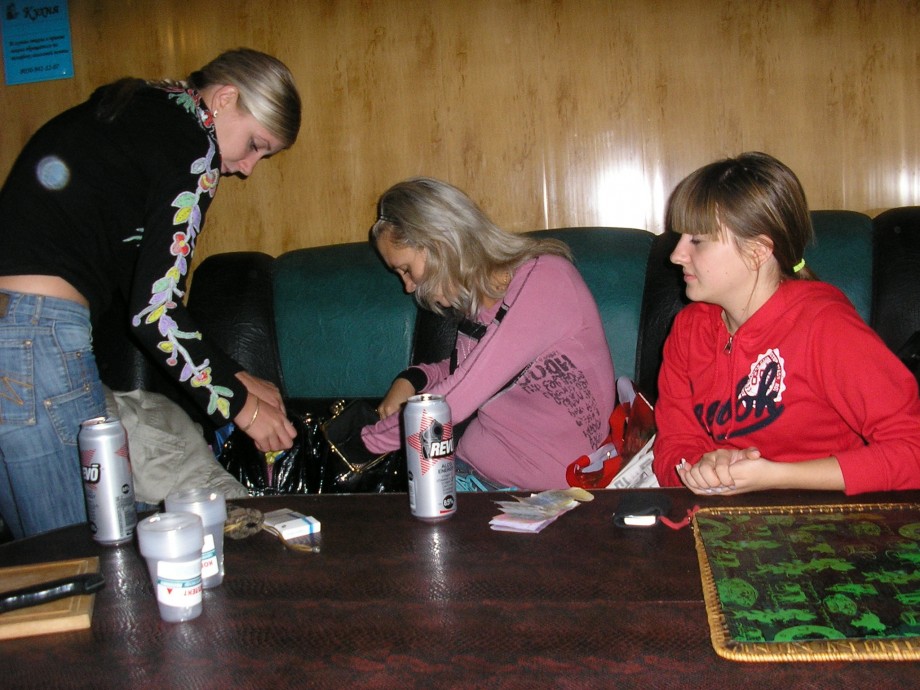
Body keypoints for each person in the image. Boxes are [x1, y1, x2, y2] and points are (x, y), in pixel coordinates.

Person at [0, 48, 300, 538]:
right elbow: (154, 313)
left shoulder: (142, 109)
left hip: (16, 337)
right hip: (36, 338)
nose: (246, 167)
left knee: (30, 562)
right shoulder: (193, 145)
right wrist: (239, 407)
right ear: (224, 99)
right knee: (80, 557)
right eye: (255, 145)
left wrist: (235, 373)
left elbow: (136, 284)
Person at [652, 151, 920, 495]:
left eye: (698, 240)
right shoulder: (688, 329)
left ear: (759, 251)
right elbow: (673, 444)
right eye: (680, 237)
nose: (676, 254)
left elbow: (912, 451)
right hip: (727, 524)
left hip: (828, 524)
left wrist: (776, 476)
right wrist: (703, 467)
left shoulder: (825, 327)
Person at [360, 177, 615, 491]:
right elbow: (461, 369)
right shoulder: (482, 303)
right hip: (469, 473)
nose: (408, 287)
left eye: (406, 269)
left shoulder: (547, 281)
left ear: (439, 245)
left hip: (544, 496)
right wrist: (412, 379)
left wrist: (365, 443)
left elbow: (462, 393)